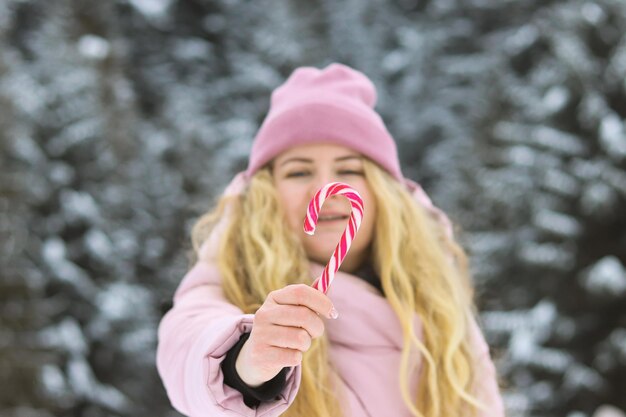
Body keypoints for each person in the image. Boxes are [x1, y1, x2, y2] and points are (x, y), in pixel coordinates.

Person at [156, 63, 505, 417]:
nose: (323, 189)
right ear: (265, 193)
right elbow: (187, 342)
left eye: (349, 170)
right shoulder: (230, 277)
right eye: (299, 171)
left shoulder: (439, 305)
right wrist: (248, 360)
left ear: (385, 191)